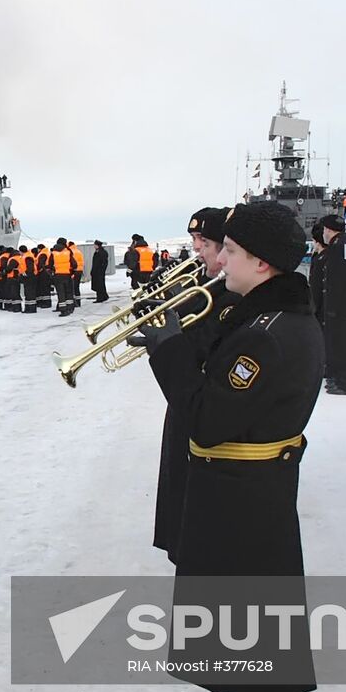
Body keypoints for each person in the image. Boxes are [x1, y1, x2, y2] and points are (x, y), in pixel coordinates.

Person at [142, 202, 322, 692]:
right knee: (256, 651)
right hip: (247, 496)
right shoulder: (266, 320)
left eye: (235, 253)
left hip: (244, 506)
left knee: (265, 654)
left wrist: (167, 350)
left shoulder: (265, 337)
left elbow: (206, 419)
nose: (223, 262)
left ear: (262, 263)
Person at [149, 207, 241, 567]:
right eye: (195, 242)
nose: (198, 250)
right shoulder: (209, 287)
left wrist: (171, 344)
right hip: (186, 417)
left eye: (205, 243)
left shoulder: (232, 297)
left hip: (206, 433)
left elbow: (203, 354)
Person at [316, 215, 346, 395]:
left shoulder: (338, 247)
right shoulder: (345, 243)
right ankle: (340, 379)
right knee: (339, 342)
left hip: (341, 304)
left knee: (343, 343)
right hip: (342, 302)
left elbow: (340, 278)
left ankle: (345, 383)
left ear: (328, 230)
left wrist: (332, 305)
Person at [51, 239, 76, 316]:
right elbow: (74, 264)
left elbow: (49, 264)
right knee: (68, 292)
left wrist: (53, 271)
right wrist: (71, 272)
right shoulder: (68, 251)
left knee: (61, 293)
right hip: (67, 275)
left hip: (58, 275)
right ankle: (70, 308)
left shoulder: (53, 253)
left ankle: (63, 310)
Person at [69, 240, 85, 307]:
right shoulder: (78, 251)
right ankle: (78, 302)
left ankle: (75, 302)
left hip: (74, 271)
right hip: (80, 270)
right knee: (77, 287)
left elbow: (72, 263)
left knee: (73, 287)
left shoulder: (72, 252)